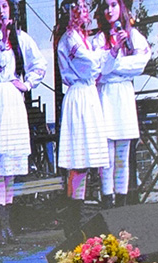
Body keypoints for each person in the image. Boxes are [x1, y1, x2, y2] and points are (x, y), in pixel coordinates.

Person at [0, 0, 47, 243]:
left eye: (4, 6)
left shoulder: (22, 38)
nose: (1, 11)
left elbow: (39, 65)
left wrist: (27, 84)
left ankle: (9, 225)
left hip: (12, 101)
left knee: (10, 168)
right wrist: (3, 43)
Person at [92, 0, 151, 208]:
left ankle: (122, 204)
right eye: (106, 6)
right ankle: (107, 202)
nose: (110, 10)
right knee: (106, 156)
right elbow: (101, 68)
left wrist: (116, 63)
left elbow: (140, 63)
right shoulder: (99, 39)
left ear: (122, 8)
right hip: (106, 95)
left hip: (124, 94)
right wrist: (114, 57)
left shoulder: (133, 35)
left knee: (122, 156)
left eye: (113, 5)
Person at [54, 0, 109, 215]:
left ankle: (83, 213)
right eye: (79, 8)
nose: (83, 12)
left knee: (86, 162)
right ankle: (74, 217)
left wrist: (100, 57)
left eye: (85, 8)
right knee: (78, 162)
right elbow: (89, 64)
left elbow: (98, 64)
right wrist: (101, 55)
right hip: (78, 95)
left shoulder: (84, 39)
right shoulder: (69, 39)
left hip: (89, 95)